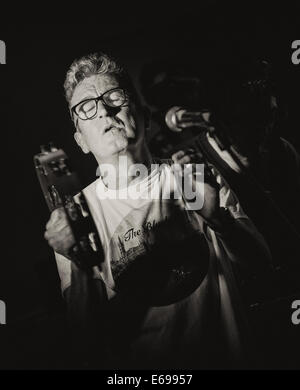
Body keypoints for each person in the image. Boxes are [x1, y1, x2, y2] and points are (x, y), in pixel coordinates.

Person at [44, 52, 271, 369]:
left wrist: (219, 220)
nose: (105, 111)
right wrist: (80, 259)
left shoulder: (191, 178)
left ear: (145, 116)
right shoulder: (76, 216)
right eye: (86, 108)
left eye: (114, 97)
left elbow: (262, 265)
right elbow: (85, 338)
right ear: (80, 140)